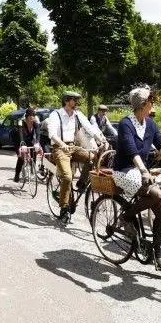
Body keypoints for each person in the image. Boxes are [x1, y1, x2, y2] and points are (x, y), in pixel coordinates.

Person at [112, 86, 161, 271]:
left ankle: (156, 251)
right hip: (124, 170)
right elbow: (131, 150)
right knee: (155, 193)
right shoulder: (125, 124)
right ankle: (126, 216)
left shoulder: (150, 124)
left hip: (141, 170)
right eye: (151, 101)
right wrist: (144, 170)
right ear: (143, 104)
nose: (154, 104)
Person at [47, 91, 109, 225]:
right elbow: (52, 134)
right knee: (67, 177)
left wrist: (102, 140)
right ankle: (64, 208)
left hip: (74, 147)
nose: (76, 103)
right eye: (74, 100)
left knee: (93, 158)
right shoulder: (56, 115)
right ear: (66, 101)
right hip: (60, 148)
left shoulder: (77, 114)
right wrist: (62, 145)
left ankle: (81, 183)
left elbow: (90, 128)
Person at [13, 108, 42, 182]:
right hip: (19, 141)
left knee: (34, 152)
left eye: (33, 117)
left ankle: (32, 169)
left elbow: (38, 133)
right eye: (30, 117)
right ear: (26, 117)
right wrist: (22, 143)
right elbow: (20, 134)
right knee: (21, 157)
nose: (32, 119)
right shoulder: (21, 122)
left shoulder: (35, 123)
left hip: (29, 141)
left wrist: (37, 142)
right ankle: (17, 174)